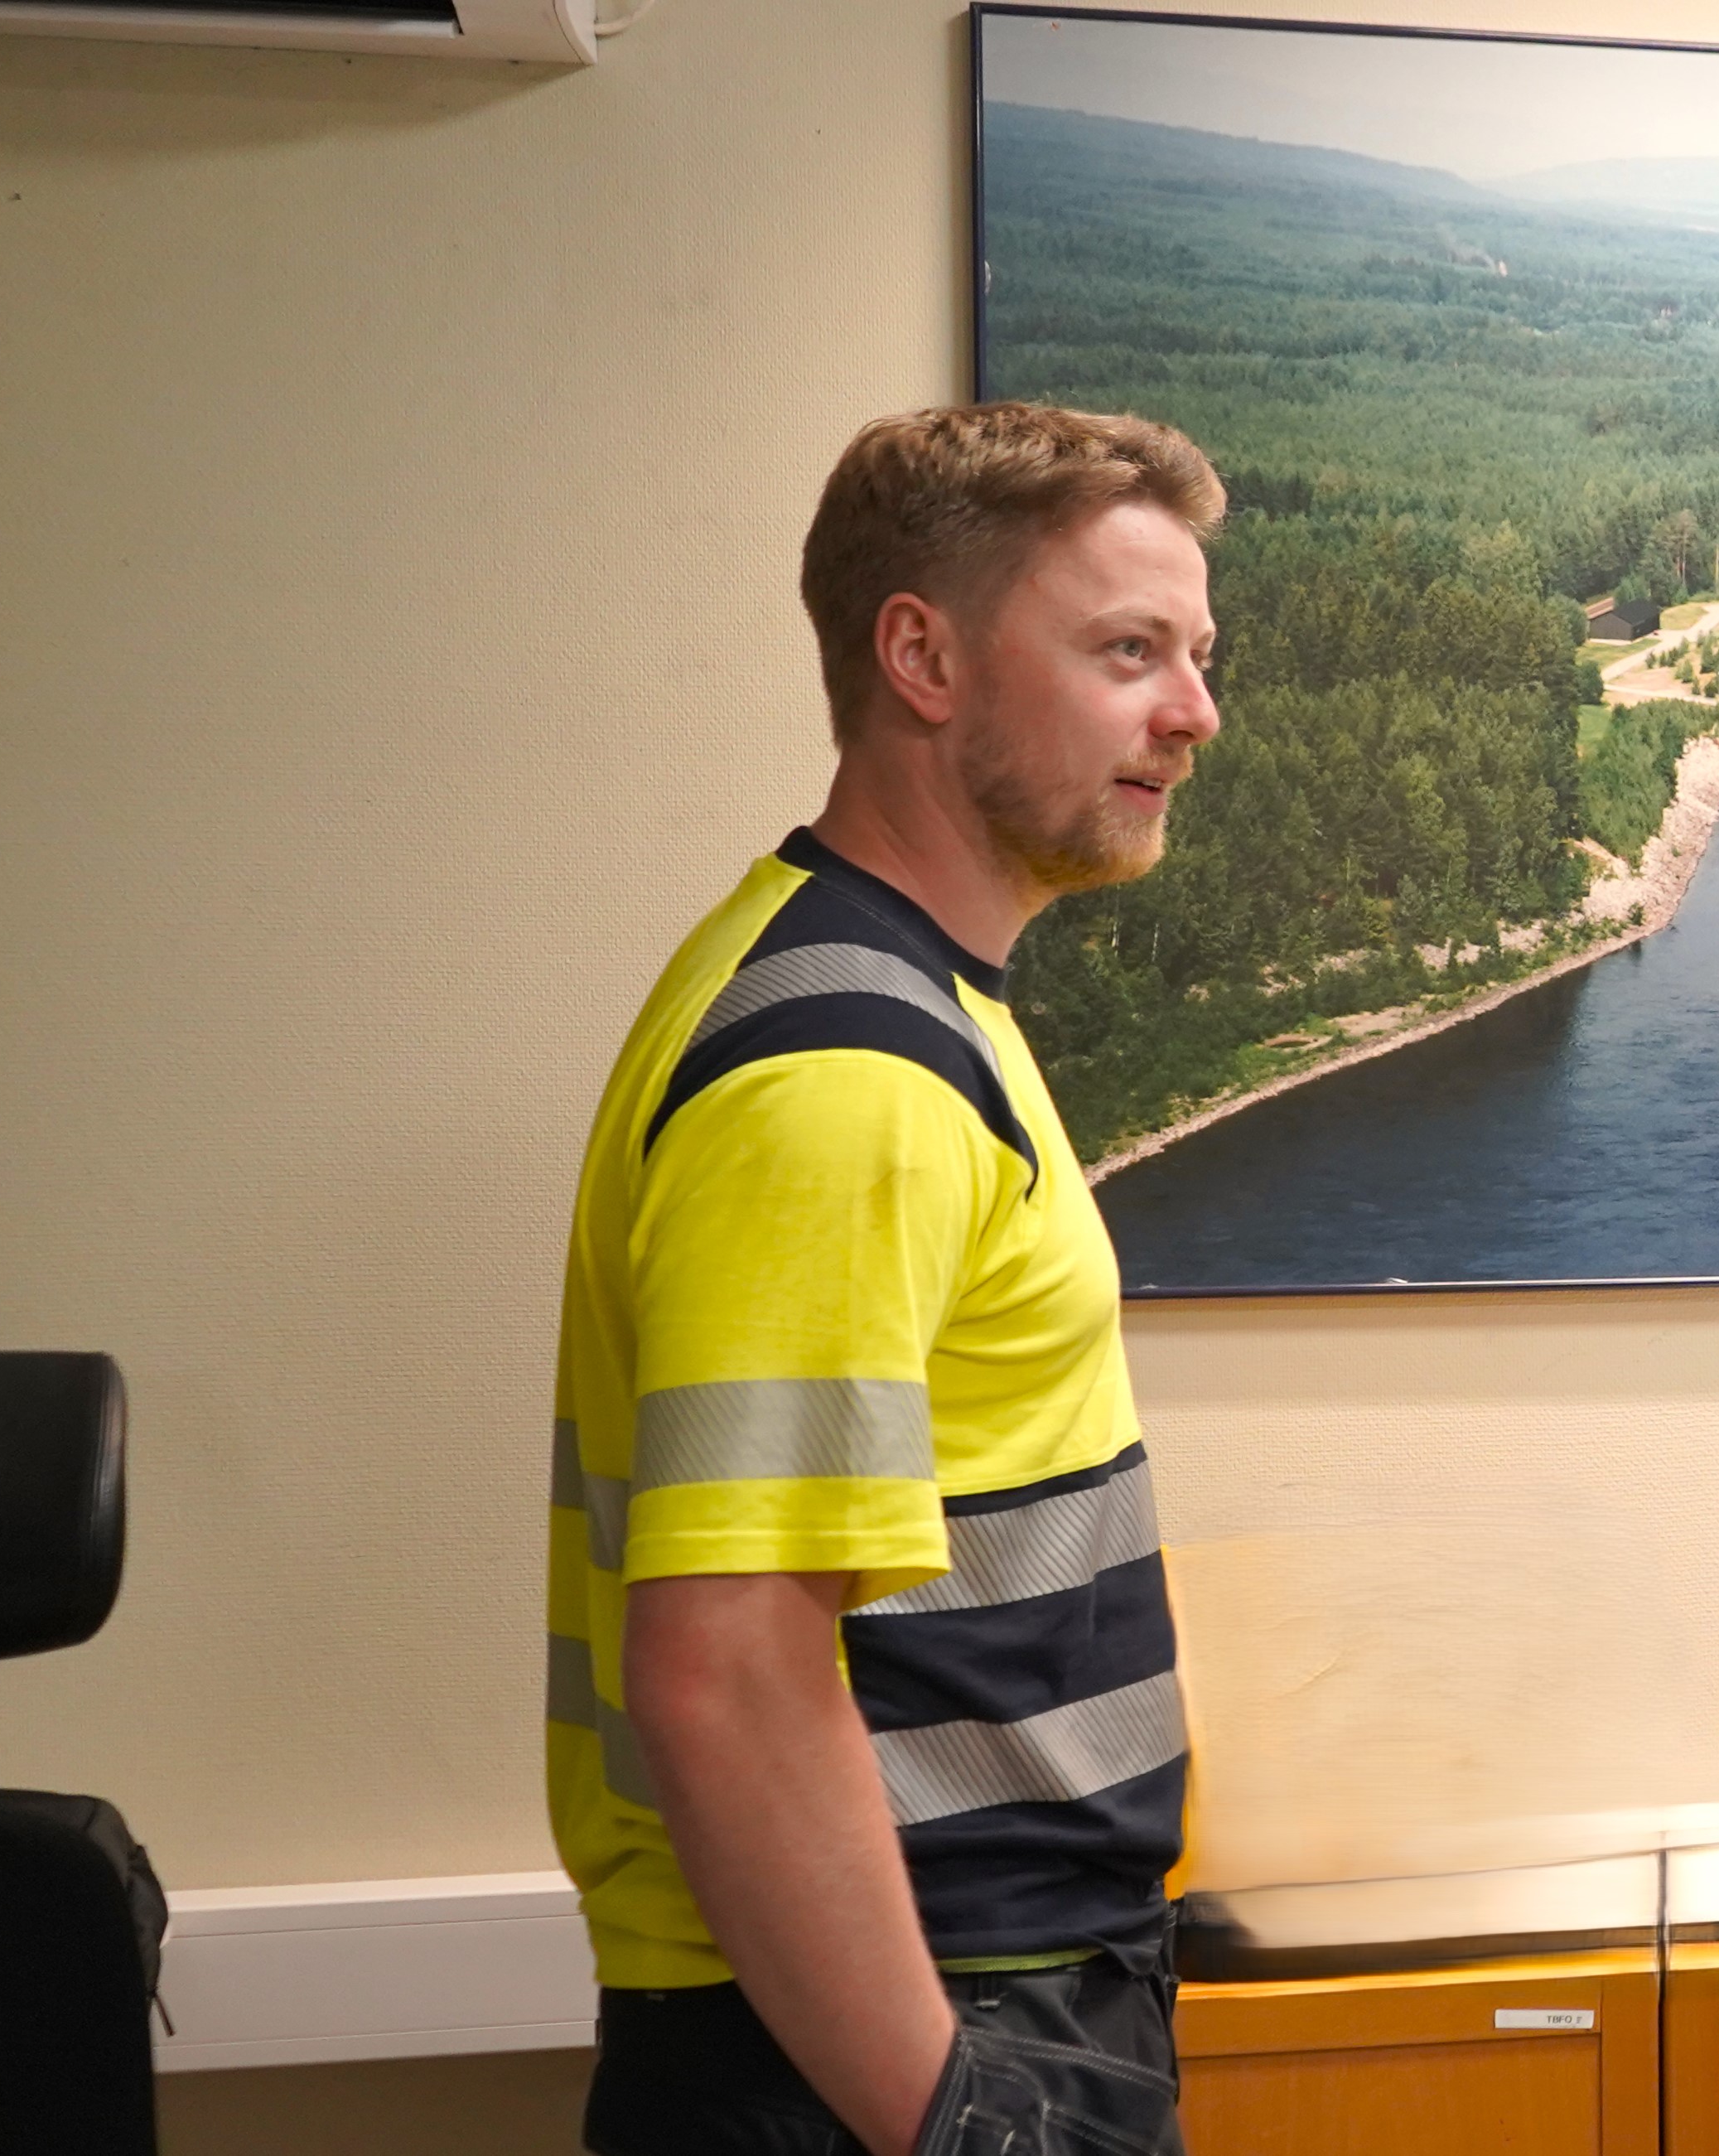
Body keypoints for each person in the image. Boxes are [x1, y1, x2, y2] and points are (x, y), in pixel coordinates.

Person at [543, 403, 1225, 2156]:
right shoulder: (844, 1071)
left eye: (1197, 654)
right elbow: (728, 1671)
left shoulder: (903, 999)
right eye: (1128, 650)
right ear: (918, 653)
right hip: (882, 2047)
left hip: (951, 2002)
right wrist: (955, 2119)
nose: (1194, 713)